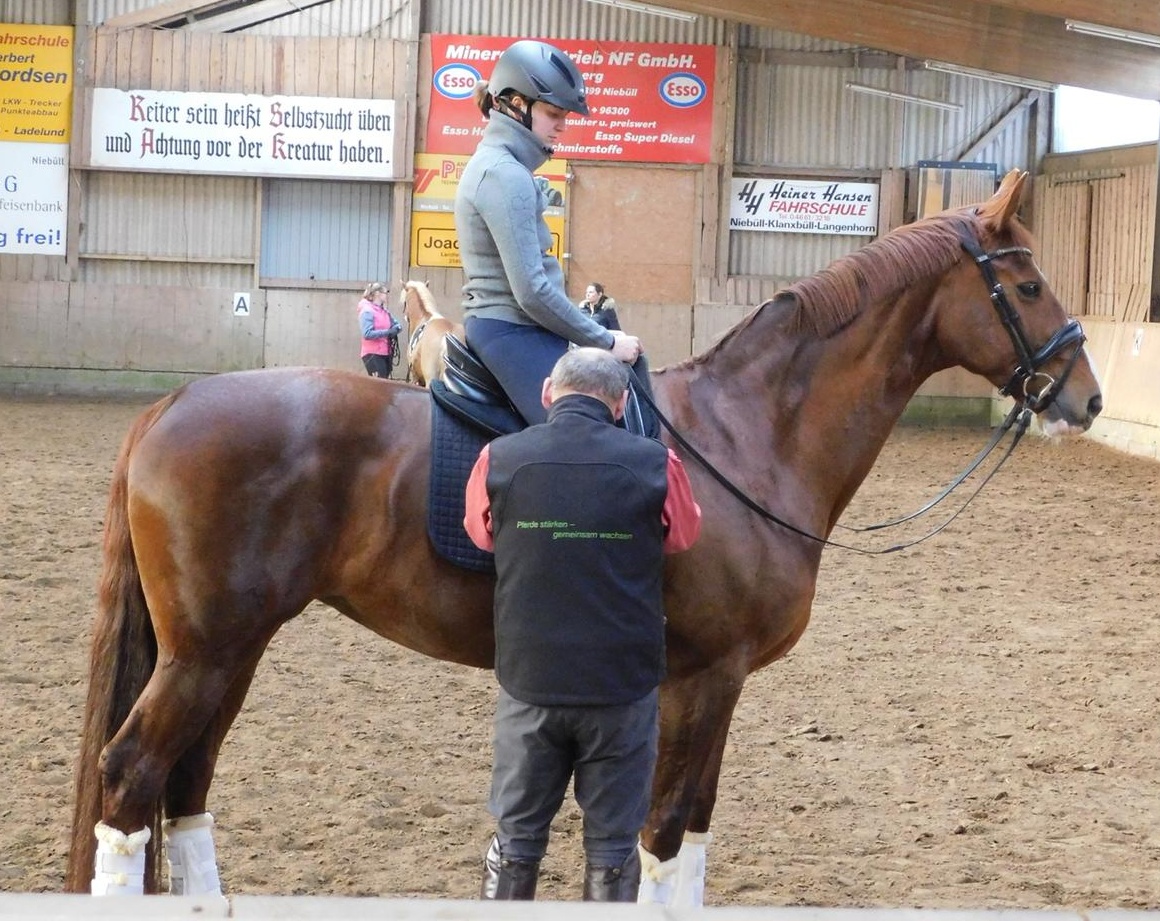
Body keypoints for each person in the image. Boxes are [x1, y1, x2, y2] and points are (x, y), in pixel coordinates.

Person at [463, 347, 702, 902]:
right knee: (615, 847)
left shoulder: (498, 457)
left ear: (549, 392)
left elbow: (481, 533)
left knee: (517, 839)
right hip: (621, 684)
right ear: (620, 404)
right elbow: (682, 537)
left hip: (531, 682)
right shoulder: (656, 464)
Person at [453, 39, 655, 430]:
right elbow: (532, 292)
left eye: (565, 114)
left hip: (520, 327)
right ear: (513, 104)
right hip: (512, 329)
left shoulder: (506, 168)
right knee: (580, 436)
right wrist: (607, 341)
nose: (562, 124)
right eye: (552, 112)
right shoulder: (504, 174)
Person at [358, 281, 401, 378]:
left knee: (384, 383)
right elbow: (367, 333)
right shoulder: (367, 311)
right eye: (385, 293)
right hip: (373, 353)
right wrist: (387, 332)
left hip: (385, 352)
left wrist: (395, 329)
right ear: (377, 293)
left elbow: (396, 324)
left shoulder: (384, 311)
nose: (387, 295)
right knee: (379, 385)